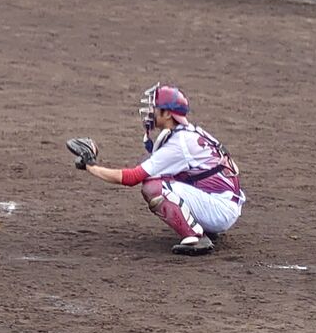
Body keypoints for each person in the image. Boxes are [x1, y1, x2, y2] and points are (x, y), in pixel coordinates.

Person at [71, 84, 244, 256]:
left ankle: (196, 237)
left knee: (153, 187)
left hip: (220, 209)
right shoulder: (187, 132)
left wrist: (90, 166)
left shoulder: (179, 143)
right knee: (162, 176)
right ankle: (205, 225)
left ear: (168, 113)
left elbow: (132, 178)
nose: (150, 112)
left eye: (155, 107)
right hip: (221, 201)